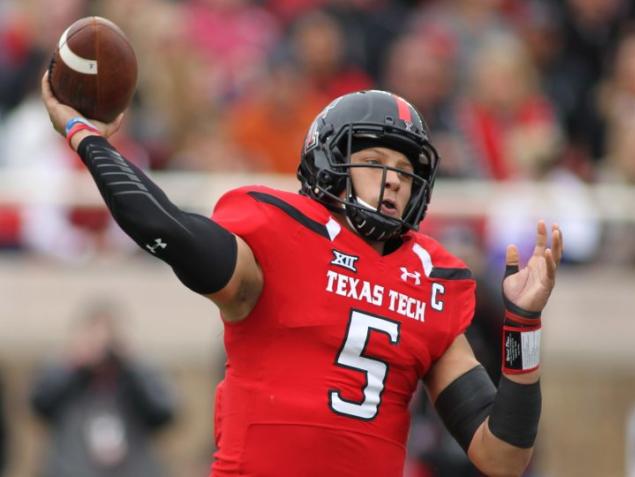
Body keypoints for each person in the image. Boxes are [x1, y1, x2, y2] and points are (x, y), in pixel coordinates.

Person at [41, 72, 562, 476]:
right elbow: (168, 228)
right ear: (330, 163)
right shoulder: (279, 235)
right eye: (376, 160)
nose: (393, 181)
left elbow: (502, 457)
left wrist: (523, 328)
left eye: (406, 171)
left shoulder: (432, 279)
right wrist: (87, 137)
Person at [30, 301, 176, 477]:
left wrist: (131, 361)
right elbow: (39, 403)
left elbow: (165, 411)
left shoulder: (133, 376)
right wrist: (74, 361)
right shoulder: (68, 374)